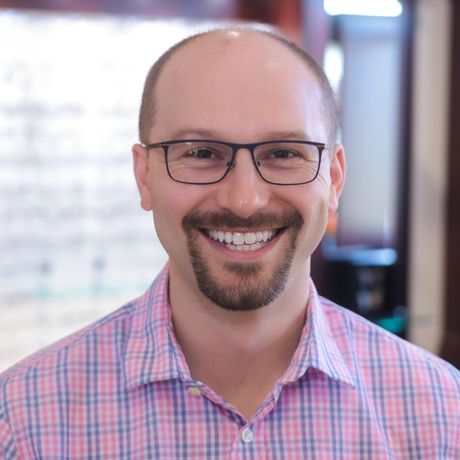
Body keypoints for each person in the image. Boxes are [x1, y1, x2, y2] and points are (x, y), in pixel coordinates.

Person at [1, 27, 459, 460]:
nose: (244, 200)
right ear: (145, 177)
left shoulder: (442, 416)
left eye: (283, 153)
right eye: (201, 153)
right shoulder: (25, 424)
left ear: (334, 178)